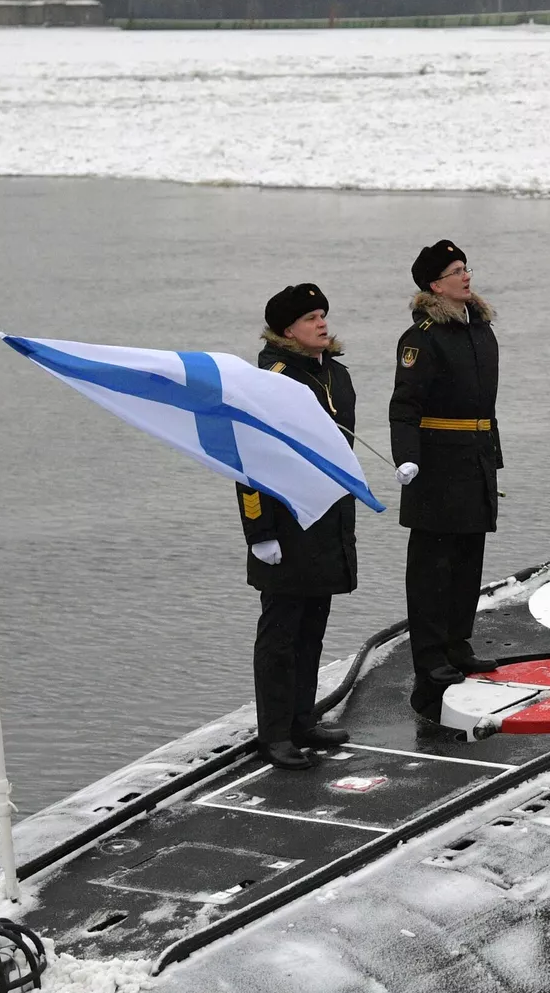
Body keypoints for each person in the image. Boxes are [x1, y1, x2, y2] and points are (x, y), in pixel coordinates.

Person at [240, 284, 358, 770]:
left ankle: (302, 719)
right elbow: (249, 457)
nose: (322, 323)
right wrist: (259, 531)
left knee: (313, 627)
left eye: (324, 314)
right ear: (287, 330)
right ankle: (274, 734)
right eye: (311, 317)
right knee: (281, 633)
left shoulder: (334, 374)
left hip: (327, 518)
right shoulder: (271, 379)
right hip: (286, 523)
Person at [390, 240, 503, 717]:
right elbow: (404, 406)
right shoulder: (423, 338)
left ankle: (458, 644)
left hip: (475, 458)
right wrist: (408, 457)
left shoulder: (479, 328)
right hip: (436, 464)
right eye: (456, 271)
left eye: (466, 267)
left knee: (466, 558)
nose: (466, 276)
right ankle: (430, 657)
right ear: (435, 285)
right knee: (432, 567)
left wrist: (491, 454)